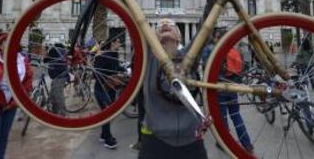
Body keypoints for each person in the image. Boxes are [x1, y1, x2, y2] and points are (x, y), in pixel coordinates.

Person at [139, 18, 208, 159]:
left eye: (171, 25)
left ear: (179, 37)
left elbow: (205, 30)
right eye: (158, 26)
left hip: (192, 142)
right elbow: (134, 19)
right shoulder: (147, 59)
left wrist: (212, 0)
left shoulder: (190, 57)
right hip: (154, 143)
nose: (164, 24)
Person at [203, 30, 254, 153]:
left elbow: (206, 67)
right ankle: (247, 143)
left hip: (219, 89)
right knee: (237, 117)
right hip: (232, 89)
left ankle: (224, 143)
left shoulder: (213, 52)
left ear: (217, 39)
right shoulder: (234, 51)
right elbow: (240, 71)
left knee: (223, 118)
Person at [93, 37, 125, 150]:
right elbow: (96, 73)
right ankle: (108, 138)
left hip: (111, 88)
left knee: (107, 113)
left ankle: (103, 135)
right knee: (107, 113)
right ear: (112, 43)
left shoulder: (114, 54)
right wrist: (109, 78)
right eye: (118, 42)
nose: (119, 44)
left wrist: (124, 68)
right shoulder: (102, 55)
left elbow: (115, 67)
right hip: (101, 89)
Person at [44, 42, 69, 116]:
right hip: (62, 75)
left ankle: (62, 113)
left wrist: (46, 51)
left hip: (58, 76)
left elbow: (45, 60)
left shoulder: (53, 50)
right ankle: (54, 110)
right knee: (53, 93)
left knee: (58, 94)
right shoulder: (63, 51)